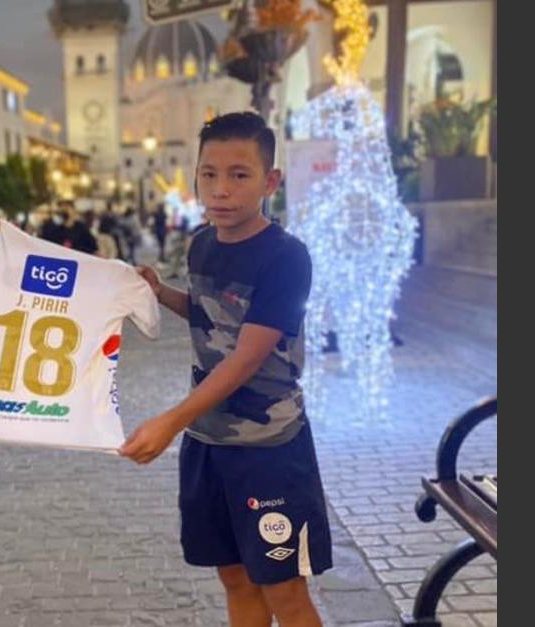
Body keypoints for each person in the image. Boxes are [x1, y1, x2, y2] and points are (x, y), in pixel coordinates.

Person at [120, 112, 331, 627]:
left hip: (268, 447)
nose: (221, 190)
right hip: (208, 445)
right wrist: (158, 291)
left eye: (239, 175)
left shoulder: (286, 257)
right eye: (208, 174)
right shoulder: (203, 243)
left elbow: (246, 357)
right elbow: (209, 314)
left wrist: (168, 421)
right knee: (234, 578)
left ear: (270, 181)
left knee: (283, 589)